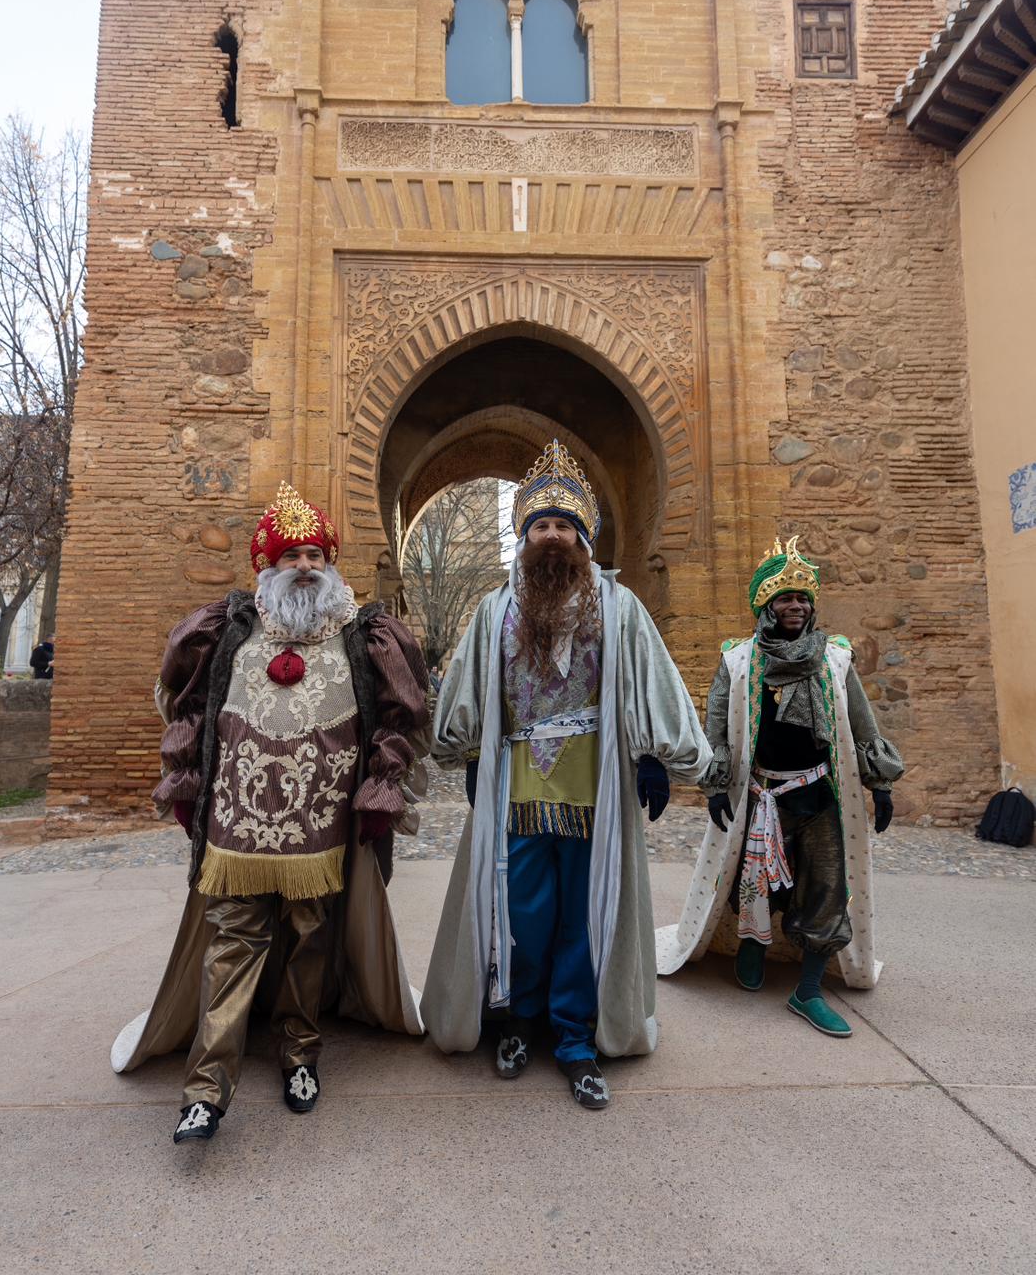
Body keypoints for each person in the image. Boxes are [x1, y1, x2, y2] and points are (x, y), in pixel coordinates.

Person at [111, 482, 430, 1143]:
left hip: (321, 830)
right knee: (231, 943)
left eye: (315, 552)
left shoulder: (363, 637)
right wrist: (189, 785)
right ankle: (206, 1090)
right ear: (267, 566)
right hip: (237, 828)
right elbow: (190, 712)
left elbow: (399, 719)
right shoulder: (227, 631)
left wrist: (379, 791)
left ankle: (300, 1053)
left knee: (310, 940)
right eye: (291, 556)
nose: (306, 565)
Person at [421, 440, 710, 1109]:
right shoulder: (494, 612)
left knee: (584, 915)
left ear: (583, 538)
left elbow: (650, 686)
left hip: (596, 792)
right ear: (524, 538)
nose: (552, 538)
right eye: (540, 527)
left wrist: (655, 758)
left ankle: (575, 1035)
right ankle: (520, 1020)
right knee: (523, 910)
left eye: (563, 527)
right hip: (516, 787)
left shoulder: (619, 608)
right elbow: (466, 694)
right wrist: (467, 755)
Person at [656, 536, 904, 1035]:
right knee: (757, 882)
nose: (796, 606)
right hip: (759, 795)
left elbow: (862, 721)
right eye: (785, 598)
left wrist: (881, 785)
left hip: (819, 796)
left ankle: (808, 991)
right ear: (765, 605)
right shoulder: (738, 660)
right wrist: (715, 786)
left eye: (803, 598)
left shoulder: (835, 656)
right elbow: (719, 729)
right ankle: (754, 943)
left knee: (827, 890)